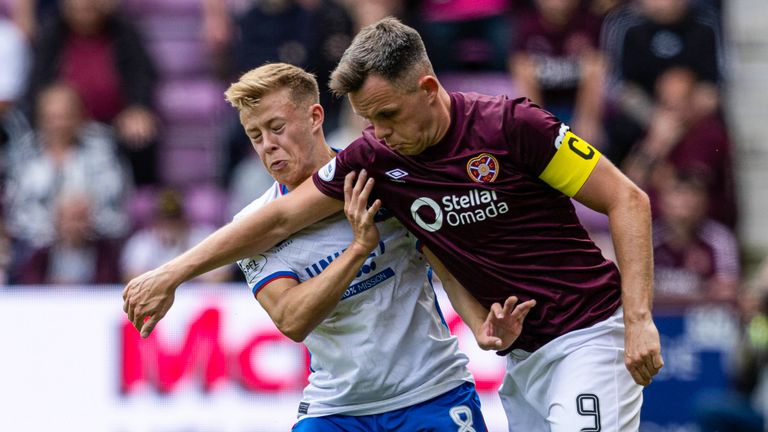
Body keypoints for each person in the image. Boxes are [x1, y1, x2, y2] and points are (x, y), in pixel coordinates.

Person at [124, 17, 663, 431]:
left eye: (388, 116)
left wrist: (639, 319)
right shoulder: (377, 160)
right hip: (524, 358)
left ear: (428, 89)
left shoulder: (513, 125)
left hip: (589, 335)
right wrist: (171, 274)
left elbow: (629, 200)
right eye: (367, 120)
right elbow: (280, 219)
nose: (377, 133)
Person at [195, 62, 535, 430]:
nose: (268, 146)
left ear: (314, 117)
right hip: (336, 411)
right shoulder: (252, 226)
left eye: (277, 128)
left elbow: (446, 268)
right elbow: (292, 320)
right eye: (255, 135)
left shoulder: (385, 180)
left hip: (432, 393)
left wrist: (479, 327)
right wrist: (358, 250)